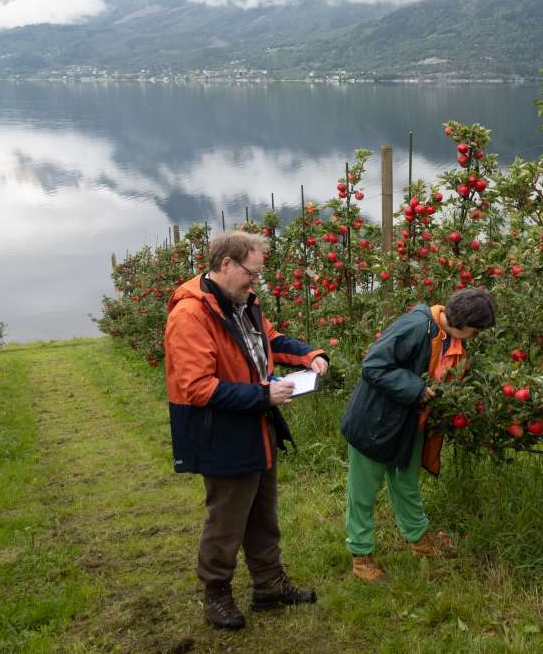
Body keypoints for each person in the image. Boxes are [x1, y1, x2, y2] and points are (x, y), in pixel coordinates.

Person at [164, 230, 329, 631]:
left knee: (262, 514)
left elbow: (268, 340)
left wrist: (309, 354)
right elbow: (197, 387)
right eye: (252, 274)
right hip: (222, 433)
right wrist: (263, 395)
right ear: (226, 265)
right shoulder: (190, 316)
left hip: (257, 427)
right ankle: (216, 593)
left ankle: (269, 587)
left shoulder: (243, 304)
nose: (256, 282)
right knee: (227, 520)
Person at [340, 287, 497, 581]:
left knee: (407, 484)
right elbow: (372, 365)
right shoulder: (416, 327)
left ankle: (419, 540)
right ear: (462, 322)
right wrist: (414, 389)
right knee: (362, 493)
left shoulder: (449, 338)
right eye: (475, 331)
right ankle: (361, 554)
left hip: (409, 425)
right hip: (375, 423)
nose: (475, 337)